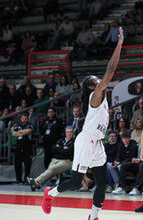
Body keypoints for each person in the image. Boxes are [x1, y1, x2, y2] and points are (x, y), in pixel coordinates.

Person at [41, 27, 124, 220]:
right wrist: (119, 45)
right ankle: (49, 193)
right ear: (90, 86)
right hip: (86, 141)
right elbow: (110, 71)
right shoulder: (95, 97)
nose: (100, 80)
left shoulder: (102, 100)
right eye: (96, 80)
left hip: (98, 143)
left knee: (101, 183)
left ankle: (93, 216)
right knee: (77, 181)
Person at [27, 126, 75, 191]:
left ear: (73, 133)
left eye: (71, 132)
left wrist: (60, 149)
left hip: (67, 161)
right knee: (50, 170)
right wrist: (62, 150)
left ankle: (37, 181)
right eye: (67, 132)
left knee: (52, 169)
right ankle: (37, 184)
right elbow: (53, 149)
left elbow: (68, 151)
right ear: (65, 133)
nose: (69, 134)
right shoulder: (61, 140)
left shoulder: (74, 142)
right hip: (55, 159)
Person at [12, 113, 33, 184]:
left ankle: (26, 179)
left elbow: (28, 131)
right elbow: (14, 134)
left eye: (25, 119)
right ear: (21, 119)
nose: (24, 120)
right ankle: (19, 179)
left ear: (28, 119)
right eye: (23, 119)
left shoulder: (30, 125)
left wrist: (20, 132)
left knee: (27, 164)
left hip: (27, 147)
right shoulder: (18, 126)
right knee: (17, 164)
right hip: (18, 147)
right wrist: (22, 132)